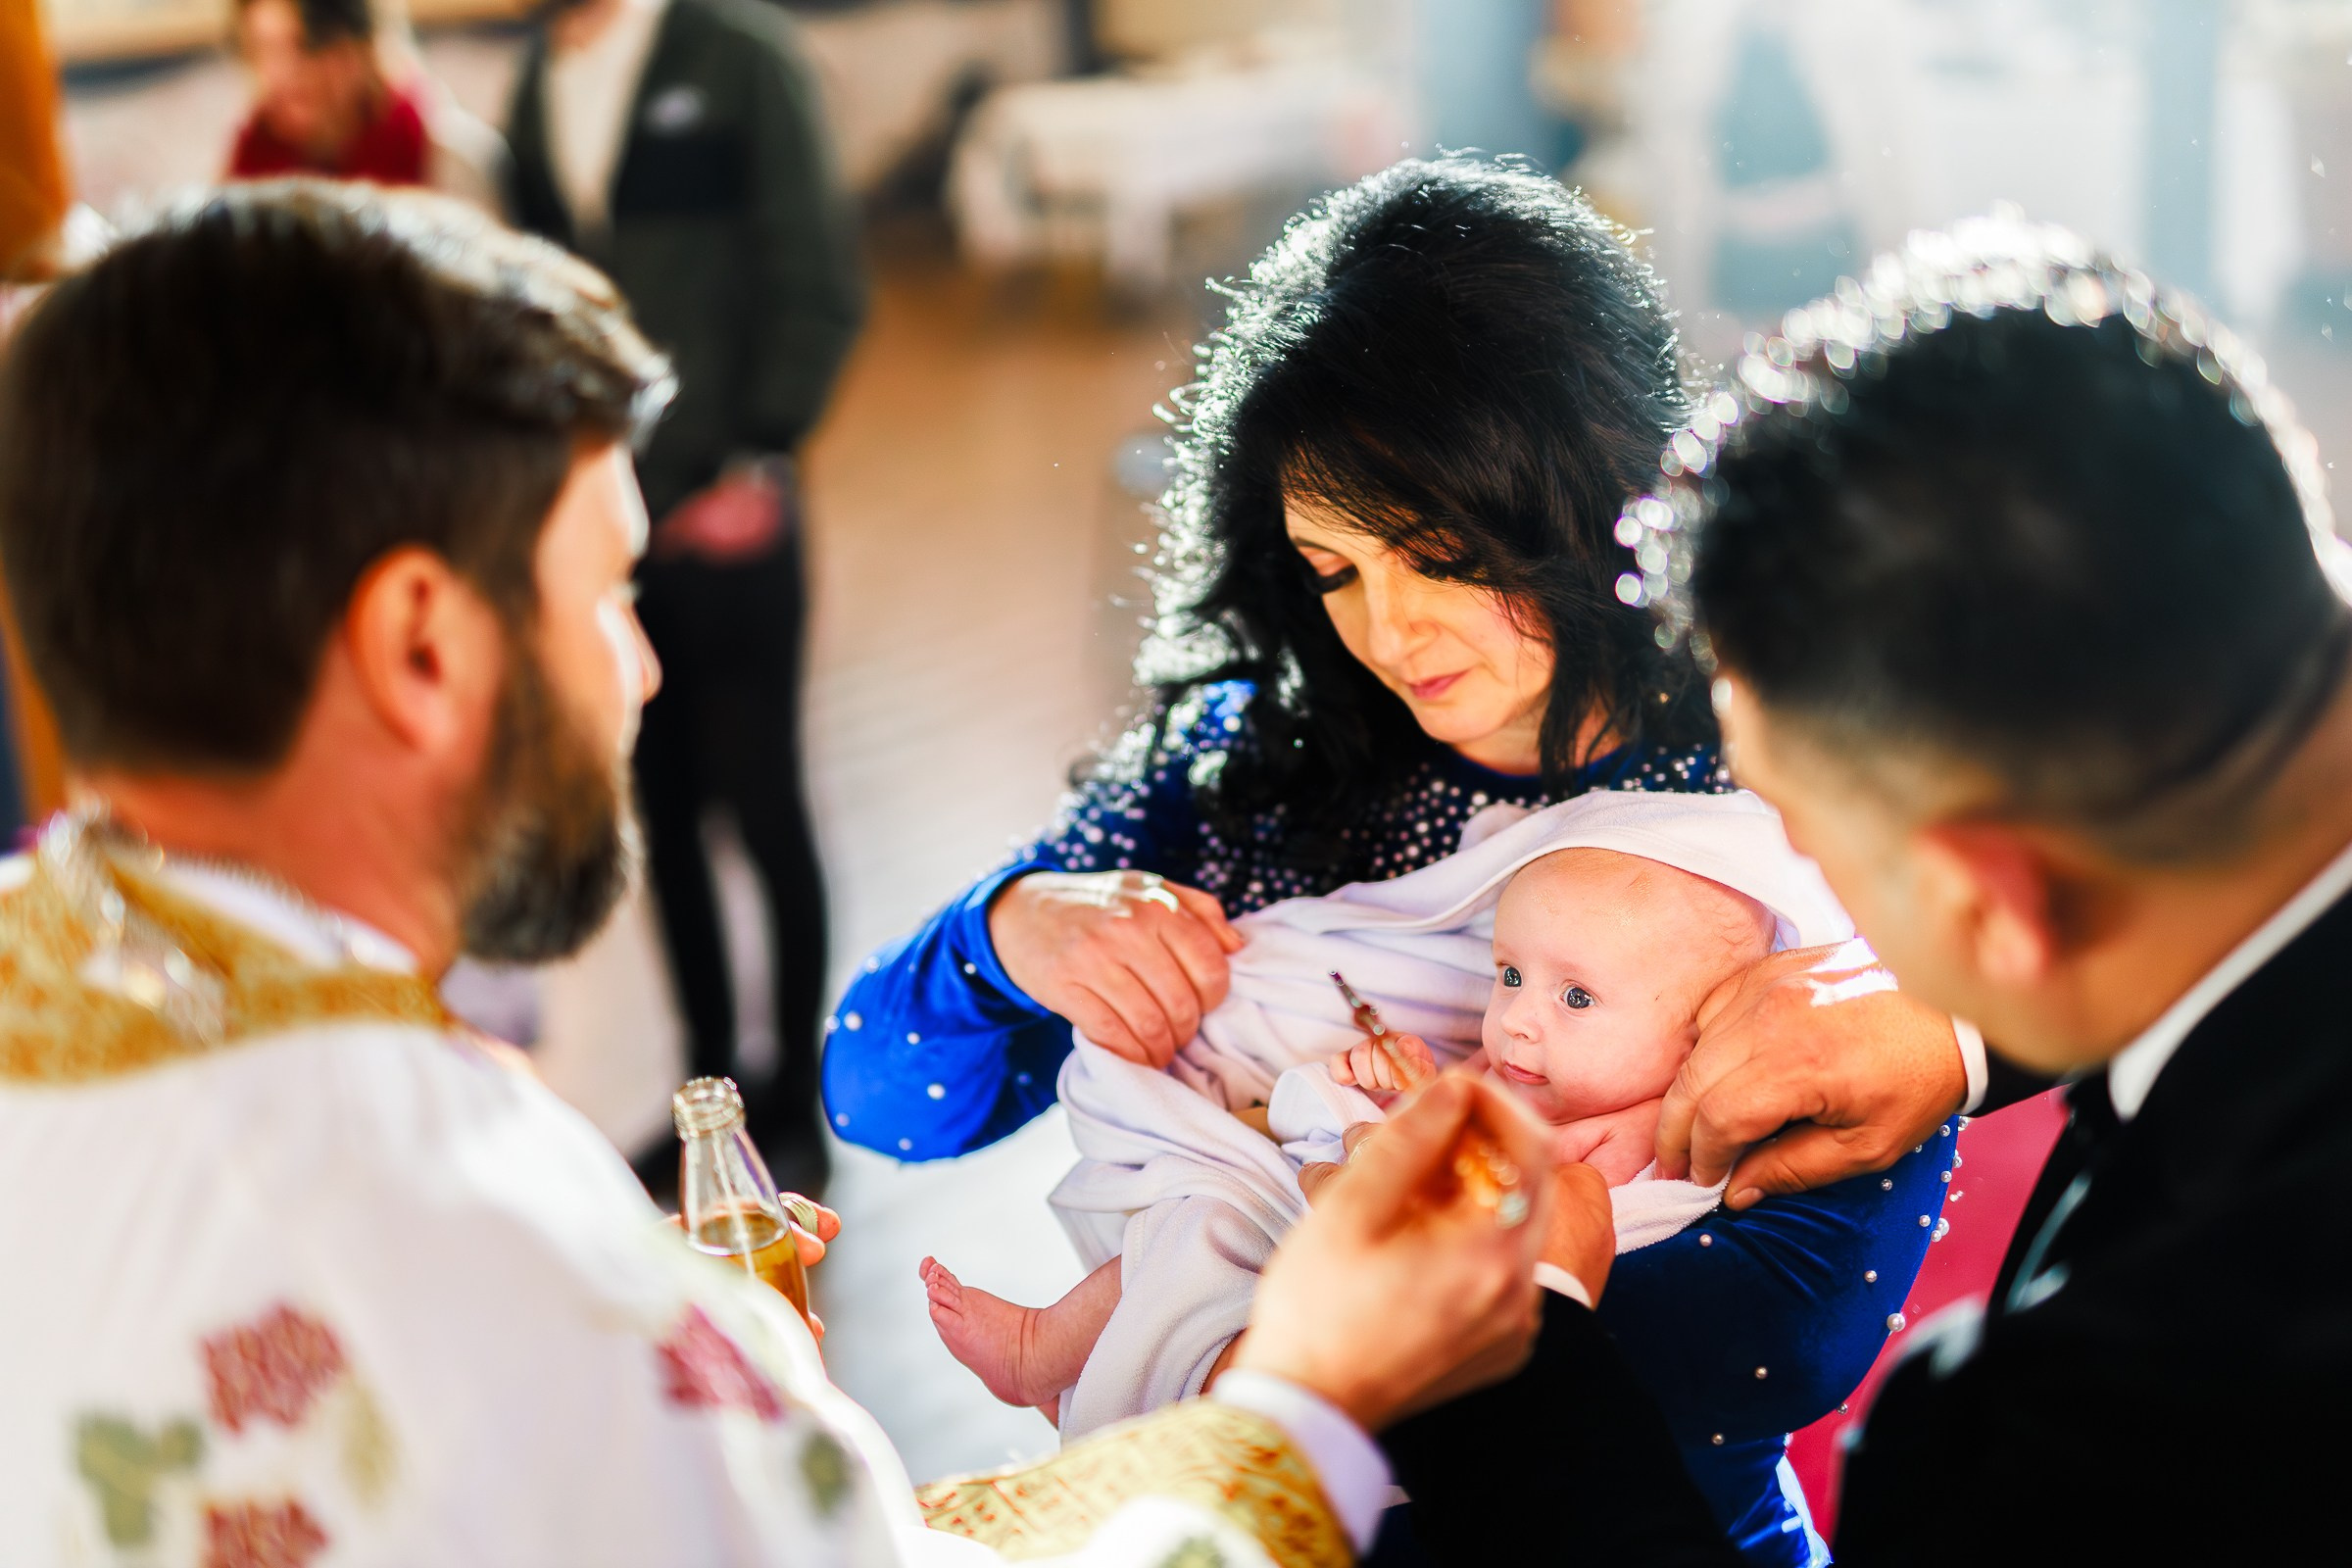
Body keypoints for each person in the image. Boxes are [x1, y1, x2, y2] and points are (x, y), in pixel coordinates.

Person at [0, 181, 1574, 1566]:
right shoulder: (504, 1262)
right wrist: (1309, 1403)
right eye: (608, 593)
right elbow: (877, 1094)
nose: (643, 673)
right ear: (424, 646)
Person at [1382, 217, 2352, 1561]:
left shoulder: (2079, 1442)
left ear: (1988, 897)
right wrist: (1958, 1036)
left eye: (1801, 833)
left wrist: (1515, 1344)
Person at [821, 156, 1980, 1168]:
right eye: (1334, 572)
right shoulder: (1259, 756)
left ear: (1587, 502)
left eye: (1439, 558)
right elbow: (885, 1110)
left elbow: (1789, 1330)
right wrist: (1000, 934)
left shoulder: (1773, 775)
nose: (1387, 633)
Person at [923, 790, 1948, 1565]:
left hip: (1442, 1343)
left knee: (1219, 1257)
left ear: (1700, 1030)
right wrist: (1357, 1097)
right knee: (1197, 1221)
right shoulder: (1505, 1067)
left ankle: (1199, 1406)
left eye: (1577, 996)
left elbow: (1513, 1203)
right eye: (1508, 975)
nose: (1517, 1020)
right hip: (1337, 1235)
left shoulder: (1648, 1141)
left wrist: (1385, 1150)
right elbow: (1345, 1121)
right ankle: (1052, 1342)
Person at [505, 0, 863, 1196]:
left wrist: (759, 456)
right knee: (656, 810)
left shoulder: (738, 58)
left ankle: (802, 1099)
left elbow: (816, 275)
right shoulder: (530, 88)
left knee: (763, 805)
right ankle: (714, 1093)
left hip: (735, 509)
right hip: (613, 531)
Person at [226, 0, 503, 208]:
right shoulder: (246, 170)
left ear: (363, 43)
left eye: (307, 44)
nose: (287, 71)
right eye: (264, 48)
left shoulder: (448, 157)